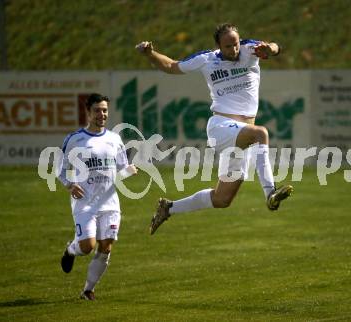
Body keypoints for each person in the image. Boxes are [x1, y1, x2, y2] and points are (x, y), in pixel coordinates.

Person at [136, 23, 293, 235]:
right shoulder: (207, 59)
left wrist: (270, 49)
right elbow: (172, 66)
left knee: (222, 199)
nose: (234, 50)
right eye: (228, 46)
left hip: (241, 136)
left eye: (236, 44)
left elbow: (275, 46)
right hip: (221, 127)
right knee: (260, 133)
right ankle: (270, 192)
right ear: (218, 46)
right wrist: (150, 53)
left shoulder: (250, 49)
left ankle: (169, 207)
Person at [58, 93, 137, 300]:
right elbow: (61, 169)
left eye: (104, 110)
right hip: (84, 202)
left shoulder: (115, 139)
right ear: (88, 112)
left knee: (106, 247)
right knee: (87, 247)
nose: (101, 114)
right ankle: (71, 249)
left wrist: (129, 171)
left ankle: (88, 290)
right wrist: (70, 184)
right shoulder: (75, 140)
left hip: (110, 203)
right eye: (97, 110)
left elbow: (121, 171)